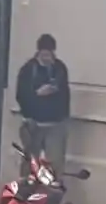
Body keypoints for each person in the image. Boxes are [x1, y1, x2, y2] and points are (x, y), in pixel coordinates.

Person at [15, 33, 70, 179]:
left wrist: (62, 116)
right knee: (30, 162)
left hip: (54, 124)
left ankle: (51, 194)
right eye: (44, 54)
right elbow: (21, 96)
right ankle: (25, 191)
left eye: (49, 54)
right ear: (38, 52)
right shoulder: (28, 70)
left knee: (55, 162)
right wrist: (37, 95)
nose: (47, 58)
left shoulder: (59, 69)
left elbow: (64, 93)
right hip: (34, 124)